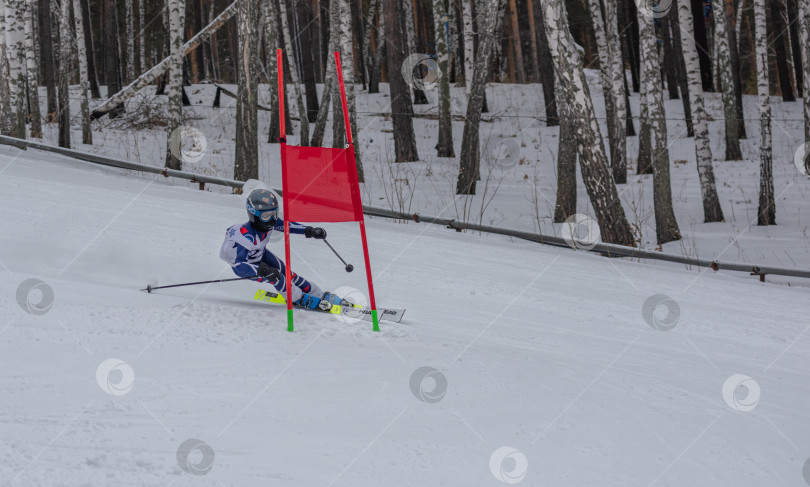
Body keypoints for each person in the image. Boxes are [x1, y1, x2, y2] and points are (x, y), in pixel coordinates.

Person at [219, 189, 342, 310]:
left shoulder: (269, 223)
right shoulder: (244, 236)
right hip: (249, 267)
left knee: (288, 273)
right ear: (253, 214)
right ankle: (296, 298)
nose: (272, 220)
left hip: (261, 255)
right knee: (277, 276)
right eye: (266, 216)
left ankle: (319, 294)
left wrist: (309, 230)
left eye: (274, 214)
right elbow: (238, 267)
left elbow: (286, 225)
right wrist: (263, 270)